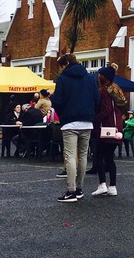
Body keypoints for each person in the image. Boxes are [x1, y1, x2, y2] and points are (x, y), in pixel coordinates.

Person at [51, 53, 100, 203]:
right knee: (83, 155)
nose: (61, 69)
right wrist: (91, 114)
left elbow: (58, 101)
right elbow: (97, 99)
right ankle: (79, 189)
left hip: (70, 122)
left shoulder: (63, 79)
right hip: (87, 121)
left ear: (65, 64)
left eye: (61, 65)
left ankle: (71, 191)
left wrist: (62, 113)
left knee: (70, 156)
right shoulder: (91, 78)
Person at [91, 66, 126, 197]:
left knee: (99, 157)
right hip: (116, 128)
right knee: (110, 158)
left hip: (105, 128)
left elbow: (106, 111)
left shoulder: (104, 91)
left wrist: (95, 119)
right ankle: (113, 186)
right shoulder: (115, 89)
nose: (98, 76)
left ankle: (102, 184)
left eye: (100, 74)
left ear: (103, 77)